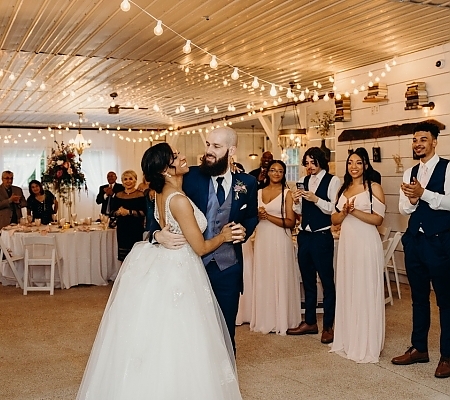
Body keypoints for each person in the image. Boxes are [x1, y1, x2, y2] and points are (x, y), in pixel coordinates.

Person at [77, 143, 244, 399]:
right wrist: (223, 236)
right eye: (176, 156)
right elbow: (199, 247)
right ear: (166, 169)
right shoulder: (177, 200)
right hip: (181, 267)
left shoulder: (161, 194)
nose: (183, 156)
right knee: (182, 333)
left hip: (172, 264)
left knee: (166, 333)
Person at [150, 127, 258, 351]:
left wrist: (245, 230)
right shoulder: (188, 176)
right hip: (189, 268)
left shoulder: (247, 182)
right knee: (190, 332)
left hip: (228, 268)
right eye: (208, 144)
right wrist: (156, 234)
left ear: (232, 150)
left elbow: (251, 216)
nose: (208, 151)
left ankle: (227, 382)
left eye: (216, 147)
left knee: (225, 333)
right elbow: (158, 204)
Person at [391, 121, 450, 379]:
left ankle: (447, 355)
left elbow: (448, 202)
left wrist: (423, 194)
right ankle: (419, 348)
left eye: (423, 139)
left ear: (434, 141)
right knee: (417, 299)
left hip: (441, 243)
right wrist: (413, 200)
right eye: (415, 140)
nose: (418, 144)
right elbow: (404, 208)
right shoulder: (409, 172)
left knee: (446, 302)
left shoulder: (448, 168)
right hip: (415, 242)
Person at [330, 147, 386, 363]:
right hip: (347, 243)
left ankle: (366, 341)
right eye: (350, 163)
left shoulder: (374, 188)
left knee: (364, 287)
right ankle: (349, 338)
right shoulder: (343, 189)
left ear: (366, 165)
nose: (354, 167)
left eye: (359, 163)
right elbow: (334, 220)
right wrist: (344, 212)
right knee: (348, 286)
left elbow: (378, 220)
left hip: (366, 242)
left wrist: (355, 212)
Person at [287, 147, 340, 344]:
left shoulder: (333, 181)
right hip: (304, 235)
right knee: (307, 280)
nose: (309, 167)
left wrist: (315, 199)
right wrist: (297, 202)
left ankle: (328, 326)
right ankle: (310, 322)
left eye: (312, 162)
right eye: (306, 163)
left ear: (320, 161)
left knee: (327, 282)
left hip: (321, 235)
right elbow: (301, 209)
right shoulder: (304, 181)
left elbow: (333, 209)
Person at [250, 160, 301, 335]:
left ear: (284, 174)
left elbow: (291, 222)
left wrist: (268, 217)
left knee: (280, 274)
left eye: (280, 171)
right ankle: (265, 318)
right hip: (262, 238)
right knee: (264, 276)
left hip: (280, 238)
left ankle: (282, 318)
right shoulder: (258, 192)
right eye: (273, 170)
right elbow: (251, 216)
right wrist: (257, 215)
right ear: (267, 172)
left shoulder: (286, 193)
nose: (276, 173)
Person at [111, 170, 146, 261]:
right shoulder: (118, 195)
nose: (128, 181)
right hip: (122, 230)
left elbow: (143, 213)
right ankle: (124, 275)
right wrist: (118, 212)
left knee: (136, 257)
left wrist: (129, 212)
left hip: (136, 229)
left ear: (135, 180)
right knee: (123, 257)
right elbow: (111, 212)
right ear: (122, 181)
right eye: (125, 179)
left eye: (131, 179)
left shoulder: (140, 195)